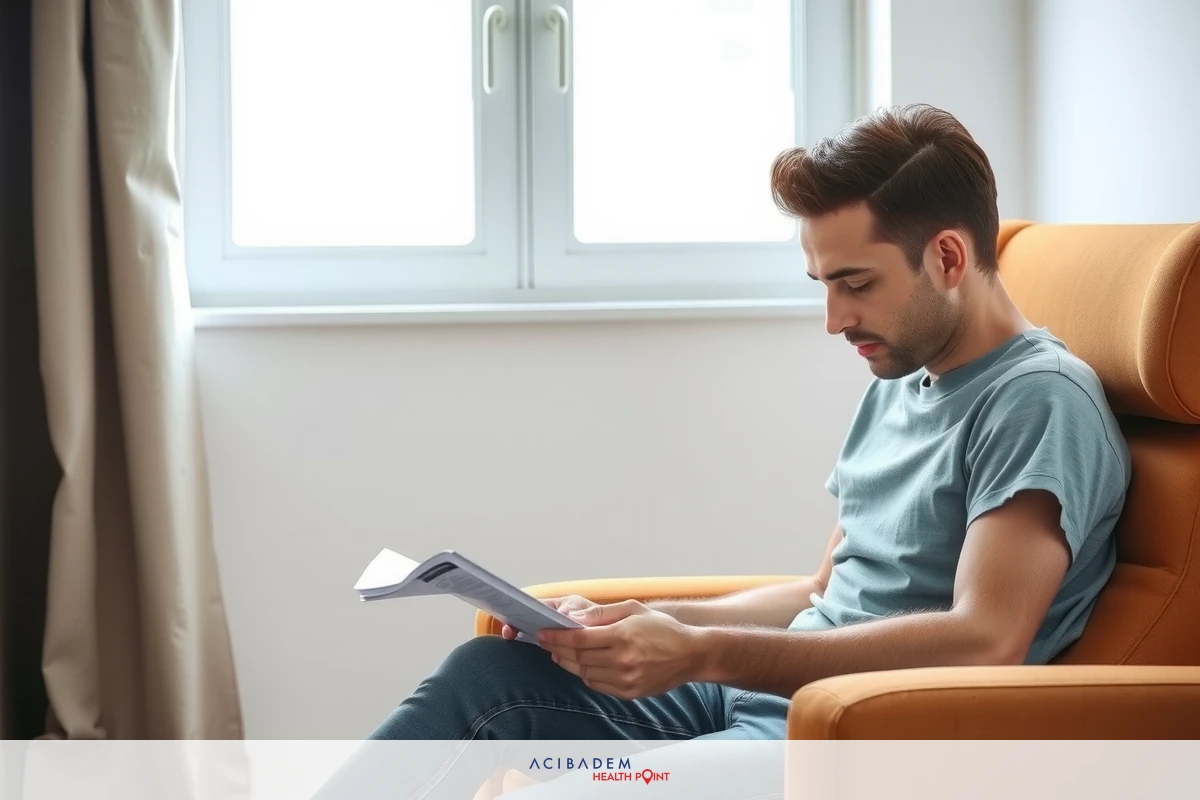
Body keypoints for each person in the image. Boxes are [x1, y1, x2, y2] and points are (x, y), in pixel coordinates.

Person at [314, 104, 1131, 798]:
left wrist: (703, 650)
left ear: (948, 258)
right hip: (763, 698)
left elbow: (986, 640)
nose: (835, 319)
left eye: (857, 282)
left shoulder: (1036, 400)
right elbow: (823, 589)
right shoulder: (900, 374)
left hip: (847, 739)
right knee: (482, 680)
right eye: (823, 286)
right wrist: (657, 623)